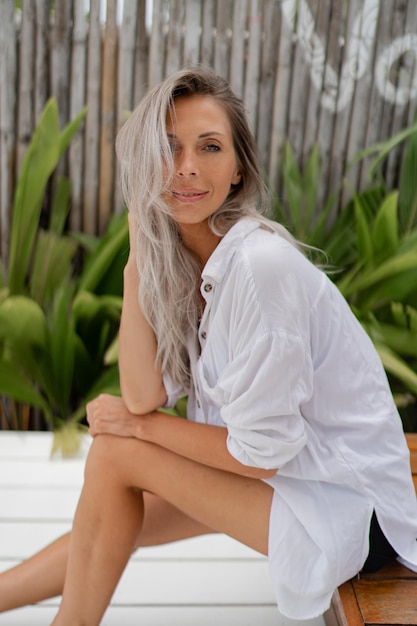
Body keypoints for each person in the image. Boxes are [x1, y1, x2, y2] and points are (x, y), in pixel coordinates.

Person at [1, 65, 417, 625]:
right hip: (298, 482)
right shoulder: (186, 265)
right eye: (167, 148)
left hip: (352, 510)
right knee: (118, 506)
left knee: (117, 454)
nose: (187, 167)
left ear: (238, 169)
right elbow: (144, 393)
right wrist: (135, 261)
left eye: (210, 147)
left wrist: (138, 430)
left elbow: (255, 453)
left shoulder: (259, 267)